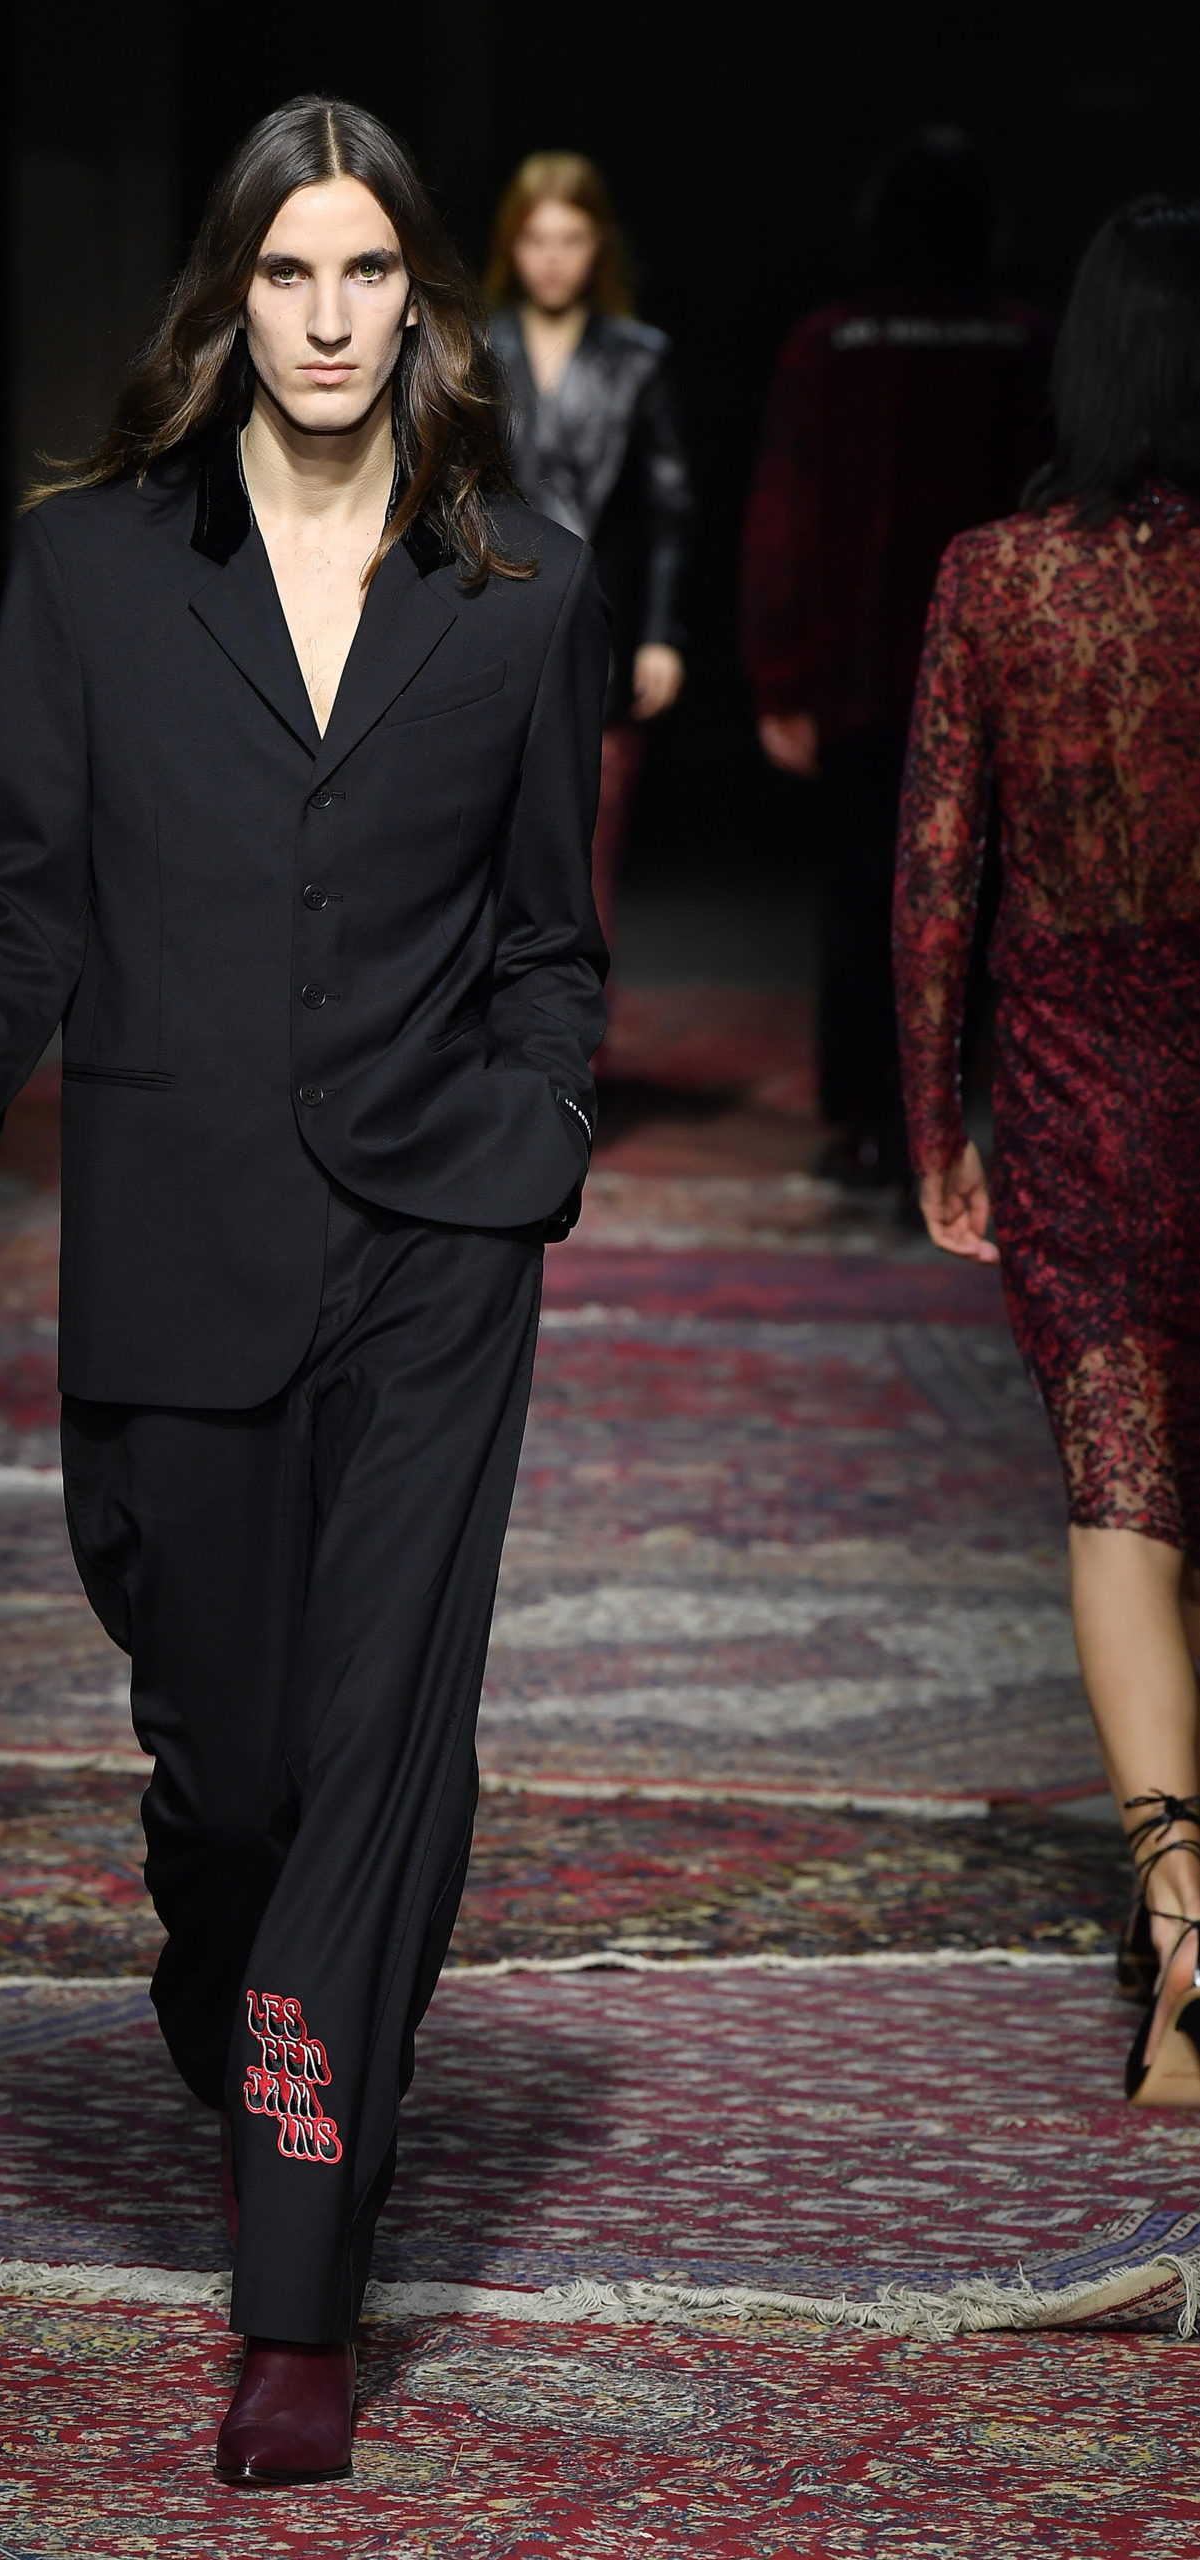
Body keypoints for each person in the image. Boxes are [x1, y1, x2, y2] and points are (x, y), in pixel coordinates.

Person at [0, 94, 606, 2486]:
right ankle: (214, 1936)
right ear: (228, 295)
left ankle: (299, 2294)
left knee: (379, 1751)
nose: (326, 318)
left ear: (420, 300)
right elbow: (15, 875)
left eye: (365, 273)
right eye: (287, 273)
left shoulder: (520, 581)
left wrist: (533, 1124)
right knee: (235, 1766)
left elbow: (546, 926)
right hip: (181, 1229)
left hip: (435, 1239)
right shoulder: (91, 568)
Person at [893, 198, 1200, 2106]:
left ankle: (1187, 1929)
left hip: (1083, 1088)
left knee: (1123, 1492)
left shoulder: (1000, 581)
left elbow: (939, 878)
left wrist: (940, 1126)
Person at [742, 127, 1052, 1188]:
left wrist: (781, 677)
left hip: (865, 675)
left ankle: (871, 1118)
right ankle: (953, 1115)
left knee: (866, 893)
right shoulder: (1025, 342)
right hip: (1000, 672)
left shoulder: (831, 346)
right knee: (987, 895)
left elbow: (782, 521)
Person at [484, 152, 689, 950]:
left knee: (587, 853)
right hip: (490, 620)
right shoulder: (472, 349)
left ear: (598, 245)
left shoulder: (639, 357)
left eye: (570, 239)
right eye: (536, 239)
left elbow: (667, 509)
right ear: (512, 244)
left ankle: (574, 1025)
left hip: (597, 628)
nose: (552, 259)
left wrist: (661, 635)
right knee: (485, 851)